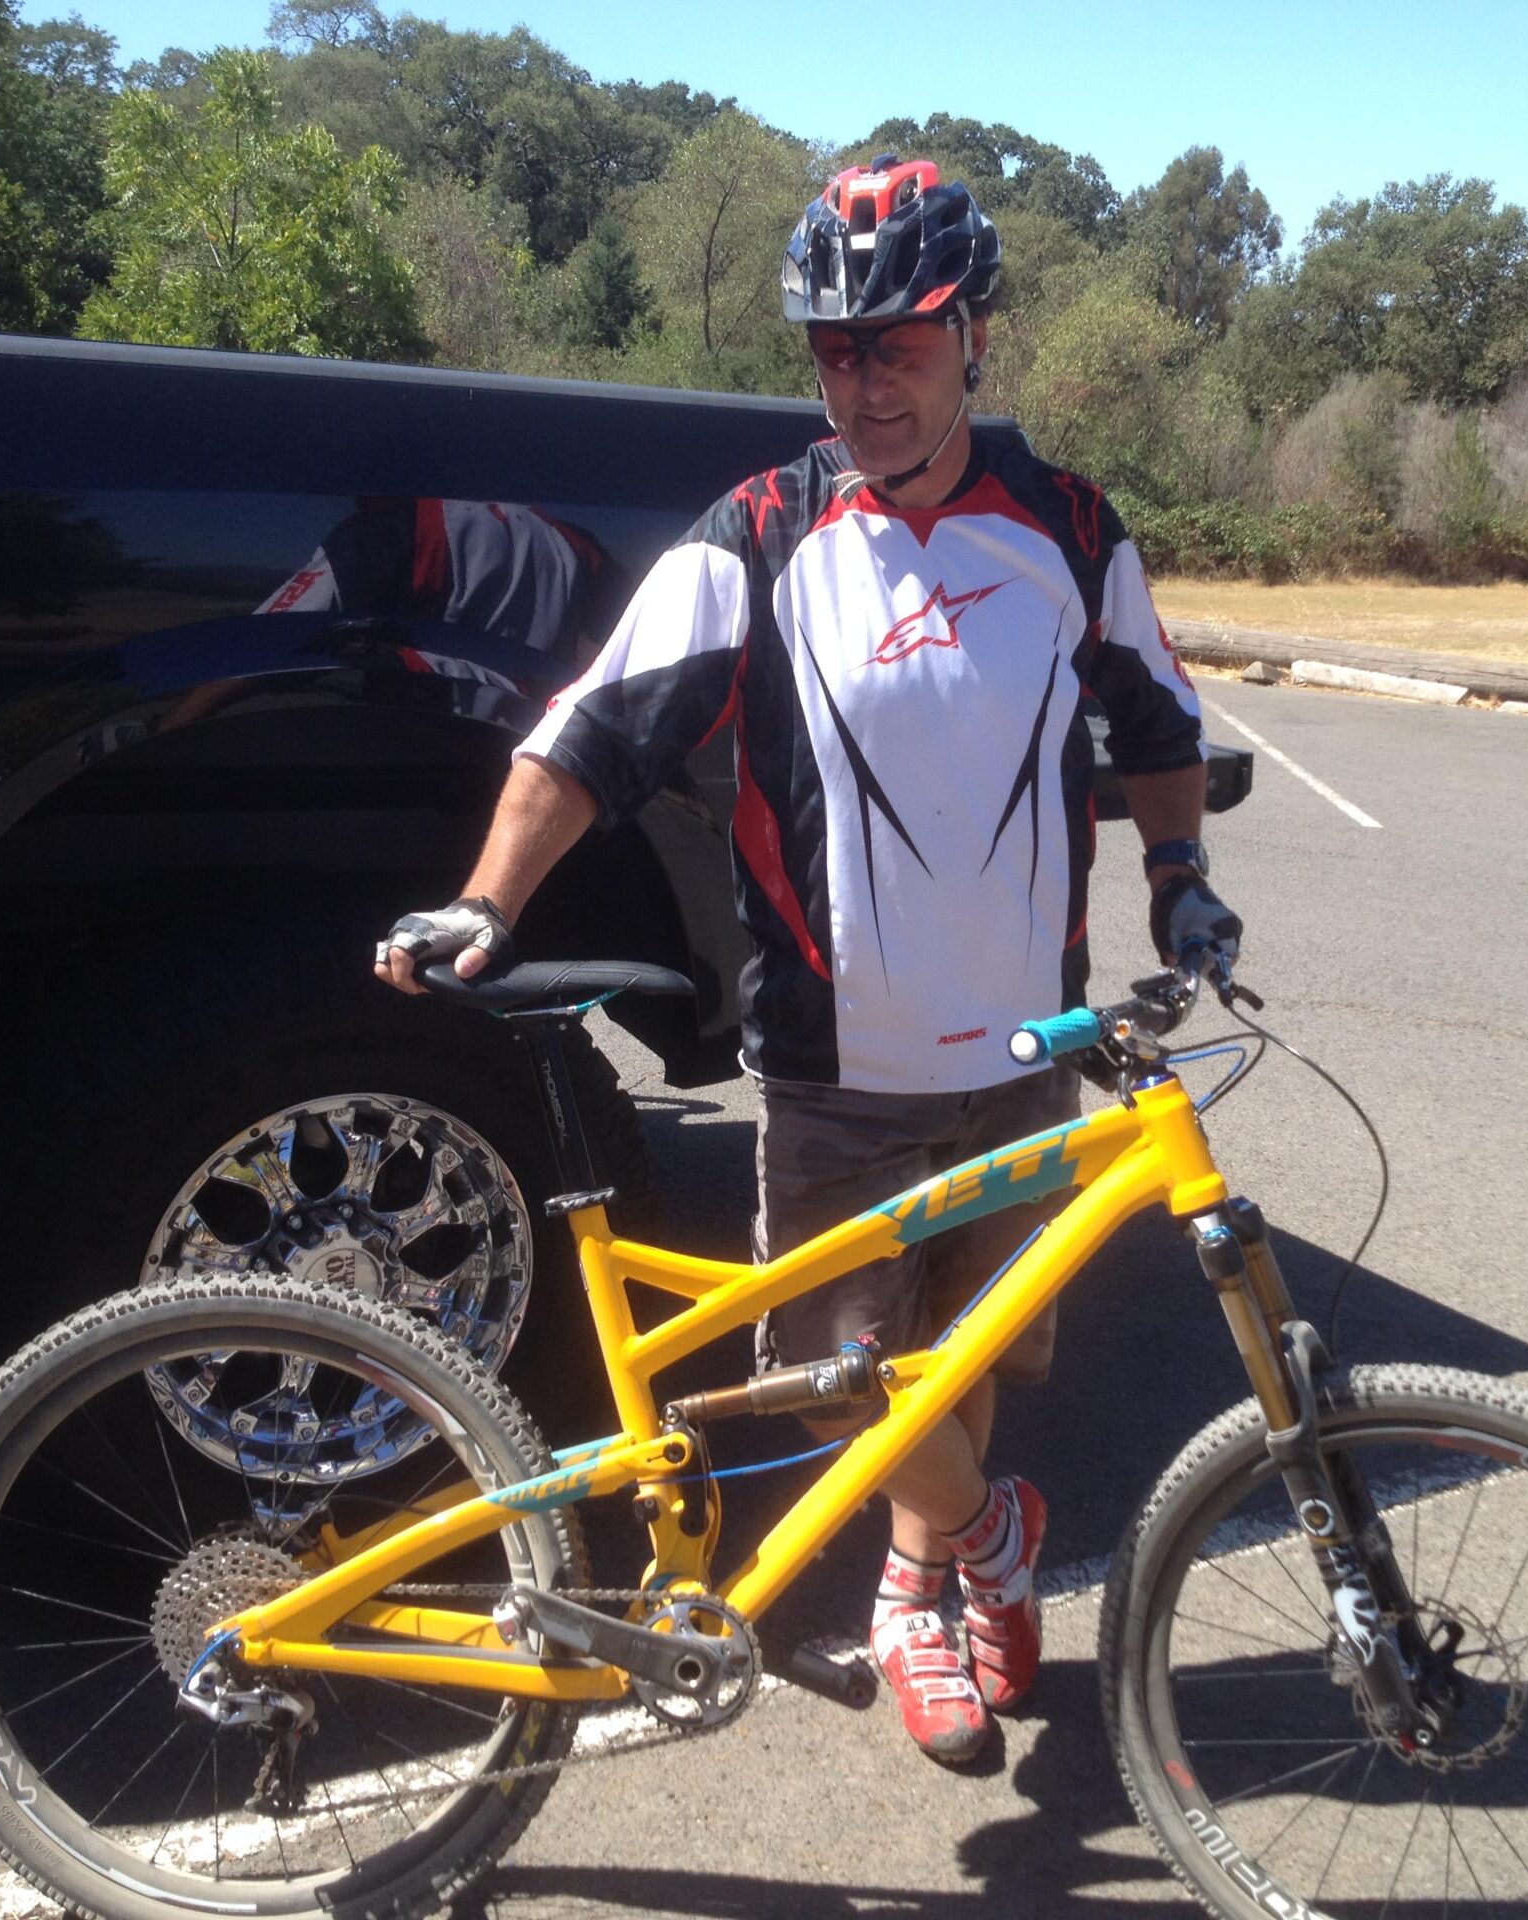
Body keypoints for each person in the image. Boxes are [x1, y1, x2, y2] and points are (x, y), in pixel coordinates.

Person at [376, 154, 1242, 1766]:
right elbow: (593, 729)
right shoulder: (765, 534)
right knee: (849, 1387)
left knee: (965, 1365)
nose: (863, 383)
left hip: (1027, 1054)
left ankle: (917, 1597)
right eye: (834, 352)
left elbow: (1157, 719)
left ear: (973, 336)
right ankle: (985, 1540)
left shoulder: (1068, 527)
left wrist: (1181, 875)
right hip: (839, 1072)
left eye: (896, 345)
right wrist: (489, 900)